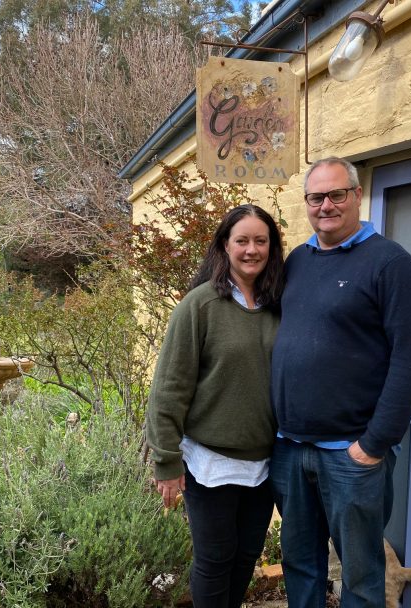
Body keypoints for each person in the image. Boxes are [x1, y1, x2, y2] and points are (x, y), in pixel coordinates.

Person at [270, 157, 411, 607]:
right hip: (289, 448)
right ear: (306, 202)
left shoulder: (391, 264)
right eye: (316, 197)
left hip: (351, 454)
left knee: (360, 578)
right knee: (301, 567)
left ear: (357, 195)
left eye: (336, 194)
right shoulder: (298, 261)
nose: (326, 205)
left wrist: (375, 443)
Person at [145, 203, 284, 608]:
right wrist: (166, 461)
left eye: (261, 241)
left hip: (265, 462)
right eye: (242, 240)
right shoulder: (200, 305)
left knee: (245, 557)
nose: (251, 250)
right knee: (215, 558)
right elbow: (169, 387)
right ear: (225, 246)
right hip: (210, 462)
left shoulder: (278, 305)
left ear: (271, 247)